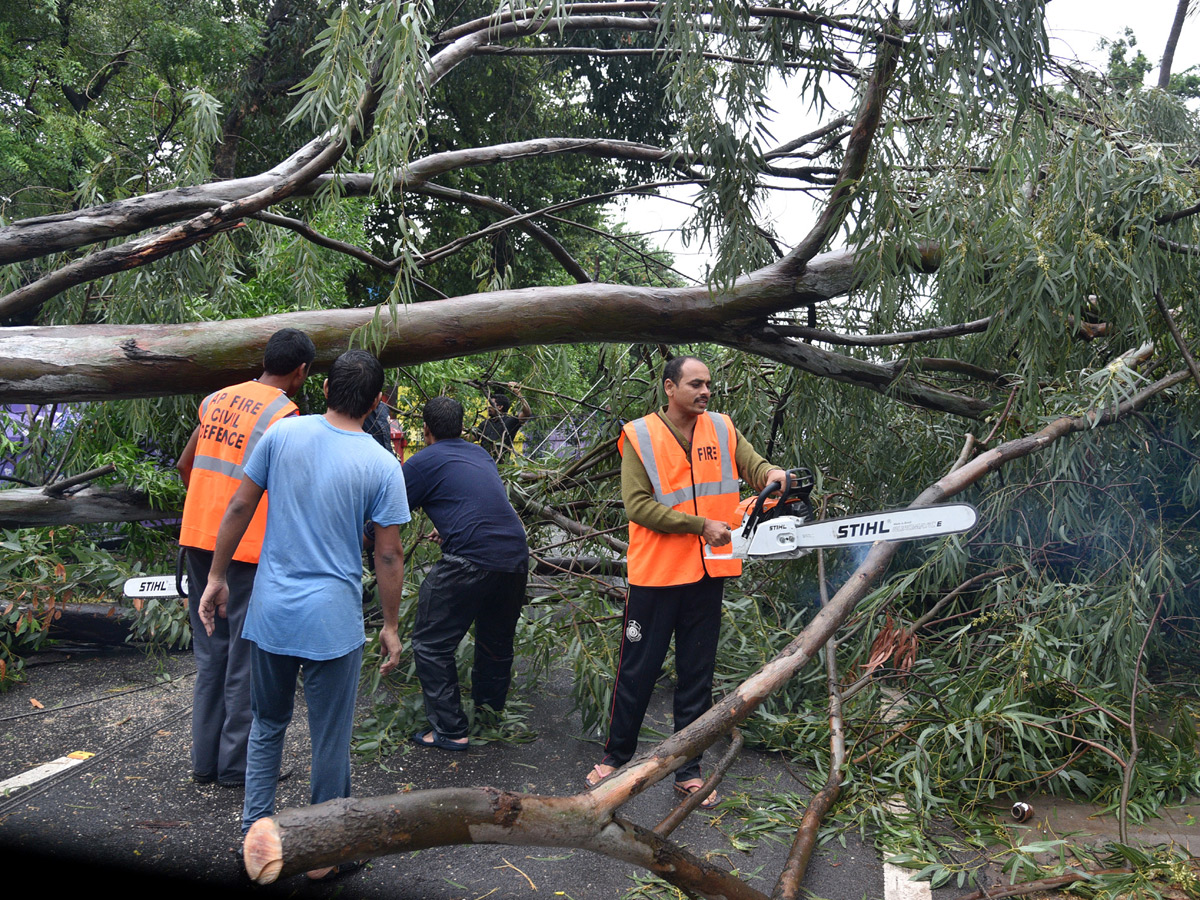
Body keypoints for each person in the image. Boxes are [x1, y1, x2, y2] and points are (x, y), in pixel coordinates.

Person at [197, 349, 409, 881]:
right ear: (376, 402)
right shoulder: (381, 464)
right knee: (329, 738)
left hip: (271, 613)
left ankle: (255, 834)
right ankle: (324, 850)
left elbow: (239, 508)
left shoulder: (282, 436)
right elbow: (387, 555)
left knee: (267, 725)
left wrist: (217, 577)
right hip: (330, 622)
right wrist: (389, 624)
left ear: (324, 387)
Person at [588, 356, 787, 807]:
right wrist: (700, 525)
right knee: (638, 670)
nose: (705, 392)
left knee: (697, 673)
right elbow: (638, 506)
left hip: (707, 573)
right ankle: (616, 757)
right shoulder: (640, 436)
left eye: (709, 385)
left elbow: (755, 466)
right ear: (669, 388)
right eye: (696, 384)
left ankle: (689, 766)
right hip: (657, 576)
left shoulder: (721, 427)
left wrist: (773, 475)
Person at [176, 327, 315, 788]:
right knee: (243, 657)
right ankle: (237, 766)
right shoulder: (285, 415)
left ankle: (203, 763)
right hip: (245, 551)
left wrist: (205, 510)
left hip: (197, 539)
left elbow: (185, 466)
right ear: (300, 372)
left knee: (210, 652)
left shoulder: (216, 400)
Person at [404, 396, 529, 750]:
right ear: (462, 427)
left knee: (430, 642)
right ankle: (488, 717)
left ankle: (450, 728)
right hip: (515, 557)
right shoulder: (480, 453)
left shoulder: (420, 461)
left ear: (426, 429)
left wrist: (362, 538)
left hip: (470, 561)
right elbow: (479, 501)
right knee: (496, 643)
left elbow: (389, 511)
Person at [479, 382, 531, 460]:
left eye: (491, 404)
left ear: (500, 407)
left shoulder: (510, 422)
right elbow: (471, 437)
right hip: (483, 463)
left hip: (500, 465)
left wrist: (518, 393)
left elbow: (527, 413)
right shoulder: (485, 424)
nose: (488, 407)